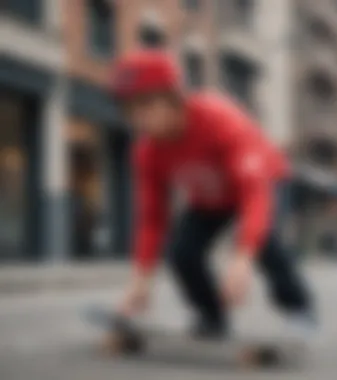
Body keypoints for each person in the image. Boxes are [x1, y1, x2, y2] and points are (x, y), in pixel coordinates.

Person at [111, 49, 317, 340]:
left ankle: (299, 308)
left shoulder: (220, 119)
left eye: (146, 105)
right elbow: (152, 219)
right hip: (209, 198)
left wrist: (242, 257)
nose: (138, 118)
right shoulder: (147, 152)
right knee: (183, 252)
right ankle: (212, 316)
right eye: (129, 109)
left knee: (264, 243)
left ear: (174, 98)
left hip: (258, 181)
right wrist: (141, 278)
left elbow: (254, 195)